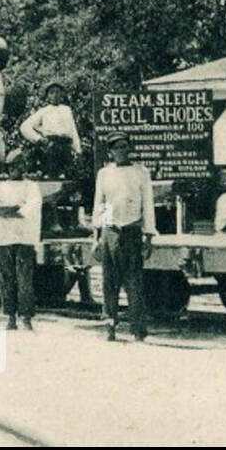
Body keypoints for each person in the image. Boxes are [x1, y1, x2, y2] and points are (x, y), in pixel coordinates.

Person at [92, 131, 156, 341]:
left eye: (124, 146)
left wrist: (148, 238)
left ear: (129, 148)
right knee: (109, 283)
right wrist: (96, 238)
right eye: (116, 147)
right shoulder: (104, 174)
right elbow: (99, 205)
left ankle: (138, 330)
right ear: (110, 152)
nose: (121, 151)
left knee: (134, 283)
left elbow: (148, 205)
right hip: (110, 232)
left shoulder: (141, 172)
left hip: (132, 232)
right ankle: (110, 326)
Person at [0, 149, 43, 331]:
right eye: (12, 166)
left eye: (19, 165)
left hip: (24, 238)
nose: (15, 169)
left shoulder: (32, 187)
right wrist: (13, 209)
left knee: (25, 280)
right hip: (3, 239)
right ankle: (10, 317)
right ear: (7, 168)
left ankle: (26, 317)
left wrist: (7, 211)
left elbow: (31, 208)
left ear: (24, 167)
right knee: (6, 279)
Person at [19, 82, 82, 178]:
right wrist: (39, 139)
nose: (55, 95)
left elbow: (73, 130)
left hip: (66, 147)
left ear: (62, 94)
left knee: (68, 177)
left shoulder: (66, 110)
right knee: (51, 175)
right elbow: (25, 126)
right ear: (47, 96)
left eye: (57, 92)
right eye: (52, 93)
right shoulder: (44, 111)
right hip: (52, 146)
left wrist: (78, 150)